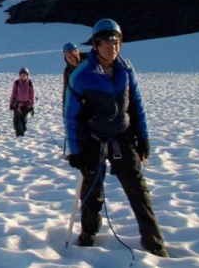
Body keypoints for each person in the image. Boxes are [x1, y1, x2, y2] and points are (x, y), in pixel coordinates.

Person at [64, 19, 168, 258]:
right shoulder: (81, 76)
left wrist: (143, 139)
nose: (114, 46)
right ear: (96, 44)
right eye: (109, 41)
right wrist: (77, 151)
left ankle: (153, 241)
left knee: (138, 190)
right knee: (92, 192)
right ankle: (89, 232)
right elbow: (72, 117)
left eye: (118, 41)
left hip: (122, 137)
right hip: (93, 141)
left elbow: (136, 106)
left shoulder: (126, 68)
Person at [62, 42, 86, 153]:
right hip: (77, 105)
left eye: (71, 55)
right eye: (67, 57)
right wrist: (65, 108)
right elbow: (66, 90)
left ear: (77, 52)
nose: (70, 59)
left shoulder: (89, 63)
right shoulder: (68, 71)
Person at [9, 67, 35, 137]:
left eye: (25, 75)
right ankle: (19, 134)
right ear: (19, 75)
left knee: (23, 120)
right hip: (17, 104)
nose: (23, 76)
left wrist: (31, 106)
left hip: (26, 105)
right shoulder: (16, 83)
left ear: (27, 75)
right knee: (16, 120)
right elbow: (13, 93)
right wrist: (11, 104)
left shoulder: (30, 84)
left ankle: (22, 133)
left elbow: (32, 95)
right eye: (22, 75)